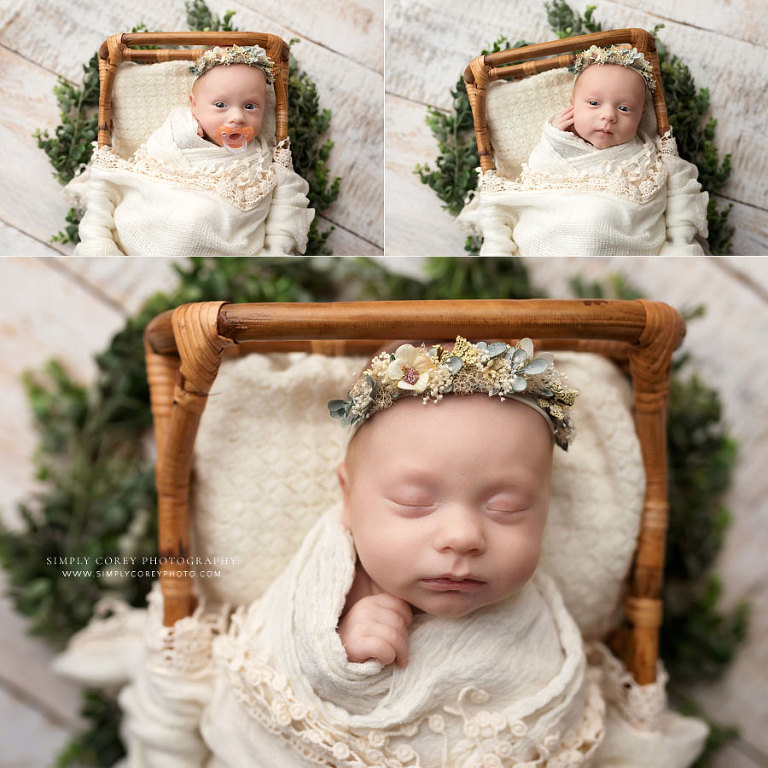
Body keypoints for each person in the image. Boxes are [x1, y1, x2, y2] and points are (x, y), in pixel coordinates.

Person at [458, 45, 709, 256]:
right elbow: (534, 181)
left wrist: (681, 245)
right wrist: (553, 139)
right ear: (572, 105)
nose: (608, 116)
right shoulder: (556, 148)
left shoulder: (651, 158)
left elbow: (681, 199)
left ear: (641, 114)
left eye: (624, 109)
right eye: (593, 103)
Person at [67, 45, 313, 256]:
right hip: (156, 228)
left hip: (226, 250)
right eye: (220, 105)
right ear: (194, 106)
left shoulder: (264, 157)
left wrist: (276, 251)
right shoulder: (176, 133)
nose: (237, 117)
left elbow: (286, 205)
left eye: (250, 106)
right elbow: (142, 176)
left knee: (201, 218)